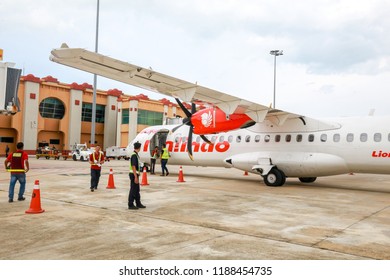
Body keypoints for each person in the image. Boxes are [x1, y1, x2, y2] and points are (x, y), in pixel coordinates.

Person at [128, 142, 146, 210]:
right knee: (133, 190)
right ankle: (130, 204)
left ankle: (138, 203)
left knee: (137, 190)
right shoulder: (134, 155)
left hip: (135, 174)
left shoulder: (135, 154)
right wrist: (135, 177)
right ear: (139, 148)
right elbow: (133, 166)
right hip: (133, 174)